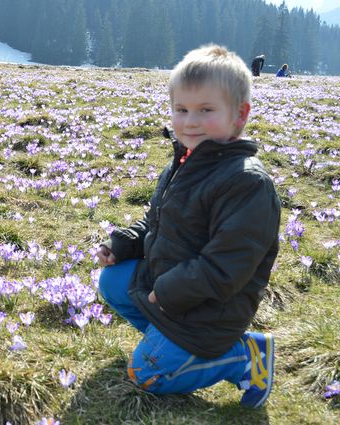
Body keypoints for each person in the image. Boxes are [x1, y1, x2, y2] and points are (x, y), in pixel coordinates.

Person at [97, 44, 281, 408]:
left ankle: (243, 356)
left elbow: (225, 269)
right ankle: (168, 343)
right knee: (112, 279)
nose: (190, 121)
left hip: (209, 312)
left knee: (145, 374)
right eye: (181, 110)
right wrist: (123, 243)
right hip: (174, 292)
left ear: (239, 115)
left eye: (206, 110)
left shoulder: (248, 184)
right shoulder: (185, 161)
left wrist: (167, 292)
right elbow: (157, 220)